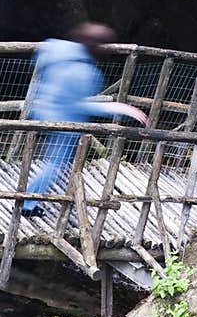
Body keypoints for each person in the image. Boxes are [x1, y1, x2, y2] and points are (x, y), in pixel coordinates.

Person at [21, 22, 148, 216]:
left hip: (45, 108)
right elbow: (75, 104)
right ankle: (27, 204)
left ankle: (45, 196)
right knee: (55, 163)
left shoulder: (56, 50)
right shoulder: (83, 72)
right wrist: (118, 108)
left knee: (59, 161)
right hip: (63, 118)